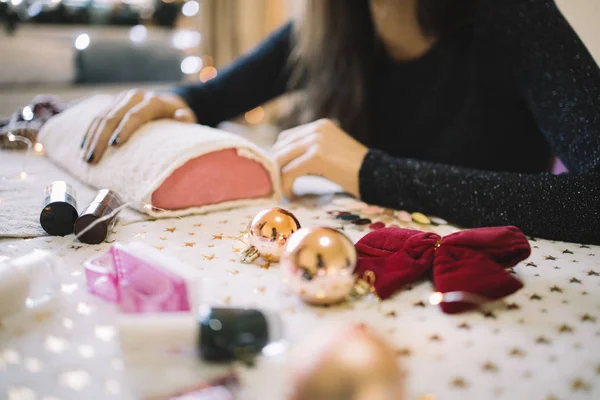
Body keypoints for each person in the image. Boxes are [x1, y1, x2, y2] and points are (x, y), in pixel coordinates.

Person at [80, 0, 600, 245]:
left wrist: (369, 170)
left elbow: (592, 203)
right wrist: (176, 102)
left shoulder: (514, 15)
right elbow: (211, 97)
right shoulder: (334, 19)